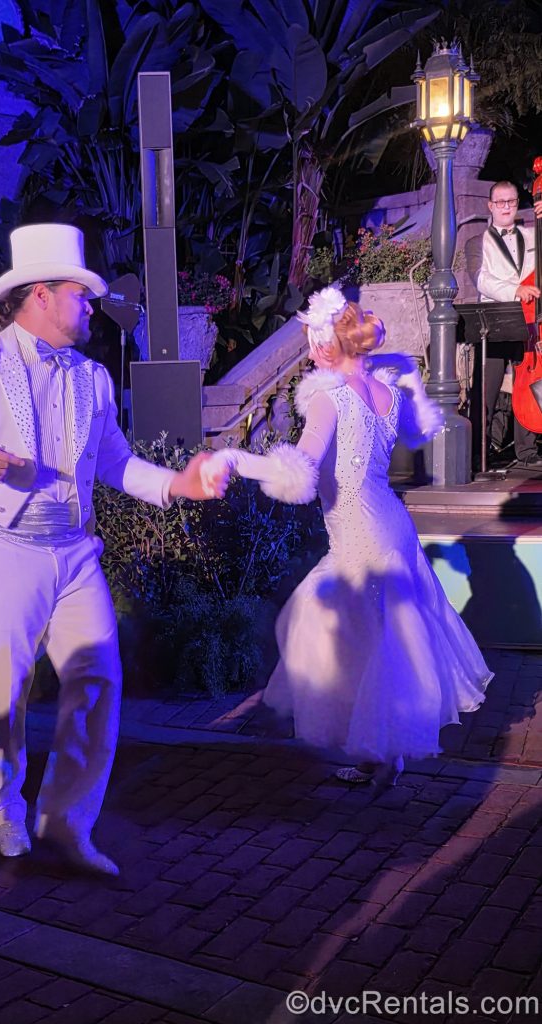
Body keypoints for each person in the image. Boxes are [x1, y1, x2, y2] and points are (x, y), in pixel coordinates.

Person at [0, 223, 230, 873]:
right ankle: (2, 810)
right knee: (3, 691)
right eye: (79, 294)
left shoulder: (93, 377)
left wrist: (178, 483)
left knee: (98, 682)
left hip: (74, 553)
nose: (88, 306)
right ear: (41, 294)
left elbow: (116, 464)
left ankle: (68, 822)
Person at [203, 287, 492, 785]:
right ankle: (383, 756)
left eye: (313, 340)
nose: (310, 350)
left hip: (360, 531)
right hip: (392, 525)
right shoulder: (387, 393)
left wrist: (231, 459)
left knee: (335, 632)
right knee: (382, 640)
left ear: (324, 345)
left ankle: (380, 755)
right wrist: (410, 374)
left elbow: (299, 472)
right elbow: (414, 420)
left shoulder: (327, 400)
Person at [476, 181, 542, 468]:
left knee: (527, 385)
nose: (505, 207)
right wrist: (514, 290)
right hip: (495, 321)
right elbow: (480, 278)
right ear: (490, 205)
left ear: (517, 204)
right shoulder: (477, 241)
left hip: (529, 320)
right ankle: (478, 453)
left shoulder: (531, 235)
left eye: (511, 202)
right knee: (486, 390)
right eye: (500, 202)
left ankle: (527, 452)